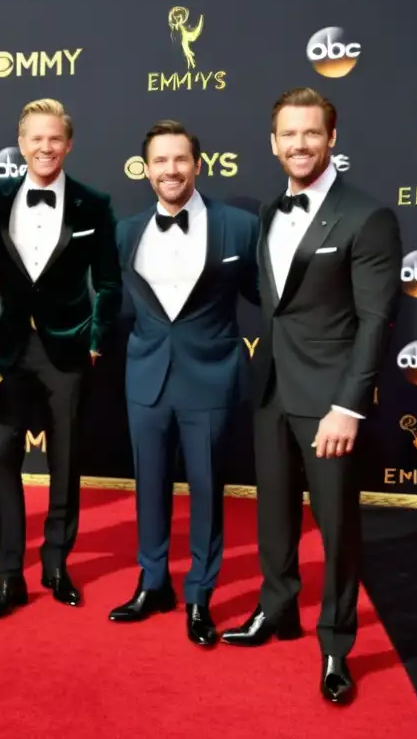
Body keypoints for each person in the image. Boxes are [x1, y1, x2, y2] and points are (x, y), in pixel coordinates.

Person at [221, 88, 402, 706]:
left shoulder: (366, 216)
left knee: (338, 528)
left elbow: (377, 320)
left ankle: (336, 644)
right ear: (273, 143)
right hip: (270, 389)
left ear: (332, 139)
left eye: (311, 134)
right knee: (272, 515)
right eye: (288, 135)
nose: (299, 145)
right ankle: (277, 610)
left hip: (329, 402)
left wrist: (349, 406)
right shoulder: (271, 209)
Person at [108, 121, 259, 646]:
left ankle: (199, 594)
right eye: (160, 161)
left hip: (211, 379)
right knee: (148, 488)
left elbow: (271, 299)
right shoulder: (126, 231)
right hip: (145, 379)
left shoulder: (239, 227)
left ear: (198, 164)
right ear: (146, 169)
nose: (170, 170)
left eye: (180, 160)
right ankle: (153, 583)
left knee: (207, 494)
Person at [0, 98, 122, 619]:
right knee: (0, 459)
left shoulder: (93, 203)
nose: (45, 147)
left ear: (69, 143)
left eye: (54, 138)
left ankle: (56, 562)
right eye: (36, 138)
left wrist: (97, 337)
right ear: (21, 143)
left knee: (66, 459)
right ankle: (9, 574)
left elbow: (107, 282)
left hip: (67, 345)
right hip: (6, 347)